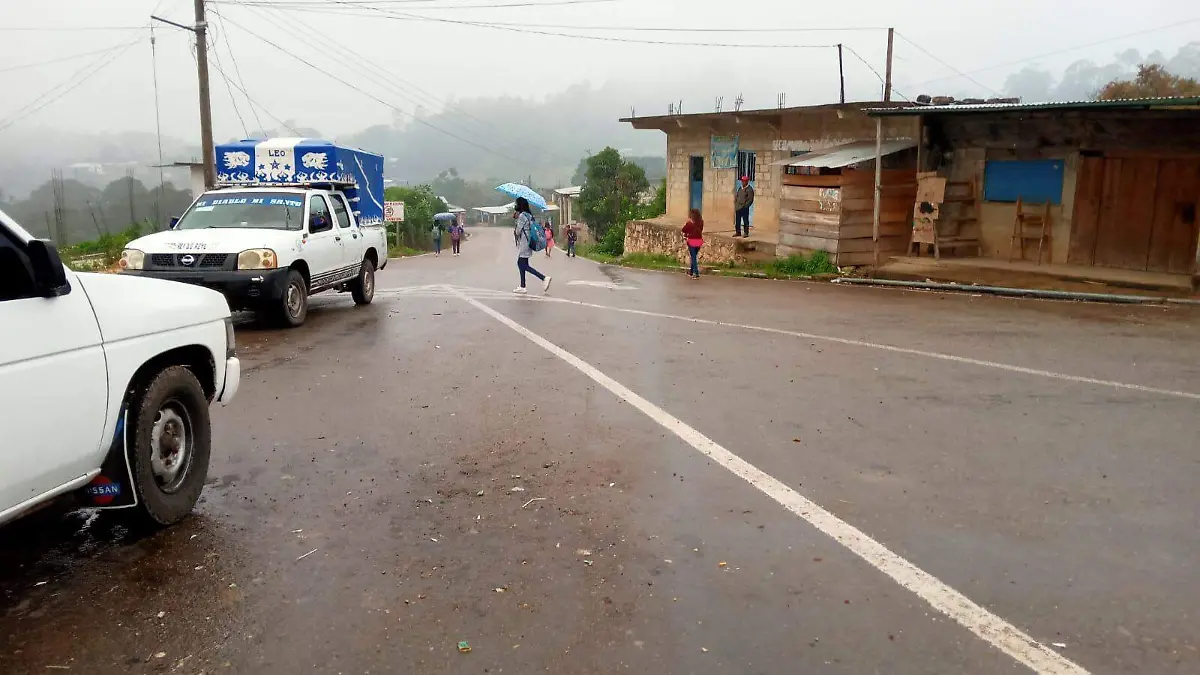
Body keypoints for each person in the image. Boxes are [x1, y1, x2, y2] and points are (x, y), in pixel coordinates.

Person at [512, 197, 551, 294]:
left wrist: (517, 220)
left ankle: (543, 278)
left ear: (519, 205)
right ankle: (523, 286)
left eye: (516, 203)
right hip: (528, 242)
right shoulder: (528, 215)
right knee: (523, 264)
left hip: (525, 243)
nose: (515, 205)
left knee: (521, 264)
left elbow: (517, 232)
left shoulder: (522, 216)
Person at [682, 208, 704, 279]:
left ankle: (696, 273)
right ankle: (691, 272)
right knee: (694, 257)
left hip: (692, 241)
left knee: (693, 258)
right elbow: (700, 230)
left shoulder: (689, 223)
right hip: (699, 241)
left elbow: (683, 230)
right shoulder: (701, 222)